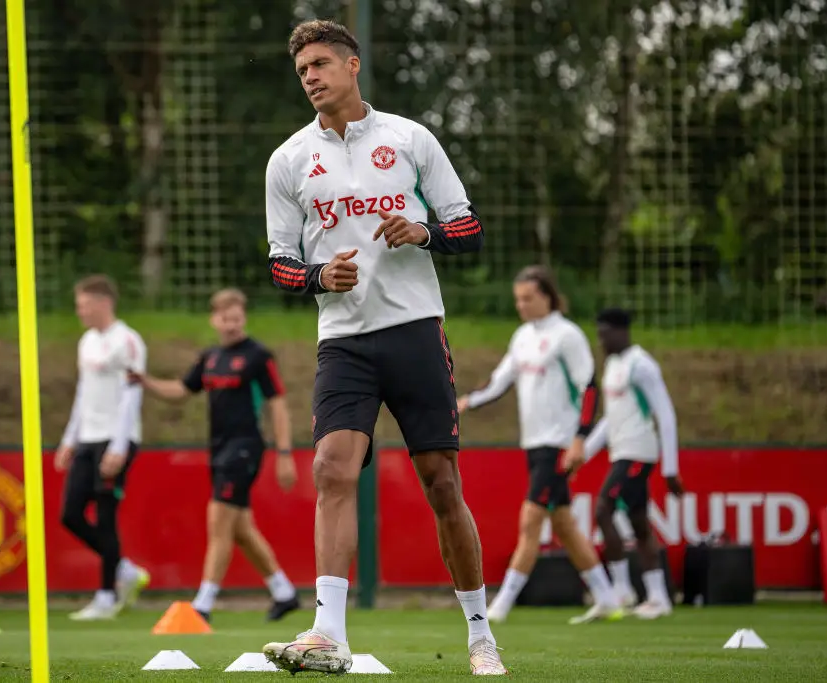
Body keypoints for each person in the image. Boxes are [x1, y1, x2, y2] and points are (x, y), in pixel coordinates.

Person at [261, 19, 507, 677]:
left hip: (415, 330)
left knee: (441, 482)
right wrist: (320, 277)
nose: (310, 77)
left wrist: (423, 231)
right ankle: (327, 632)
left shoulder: (410, 138)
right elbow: (280, 263)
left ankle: (481, 635)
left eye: (319, 64)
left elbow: (470, 228)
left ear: (352, 64)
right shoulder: (288, 159)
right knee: (330, 469)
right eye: (301, 70)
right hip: (342, 340)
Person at [457, 266, 622, 625]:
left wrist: (579, 439)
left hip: (558, 444)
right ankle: (608, 598)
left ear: (547, 295)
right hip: (533, 443)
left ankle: (499, 606)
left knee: (531, 520)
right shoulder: (522, 337)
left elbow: (589, 387)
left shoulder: (567, 336)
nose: (521, 305)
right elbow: (501, 380)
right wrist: (467, 401)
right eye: (517, 299)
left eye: (528, 298)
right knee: (563, 524)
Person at [131, 288, 301, 623]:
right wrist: (145, 382)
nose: (232, 324)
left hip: (245, 447)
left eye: (237, 318)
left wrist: (284, 452)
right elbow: (182, 390)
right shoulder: (209, 358)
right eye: (226, 318)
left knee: (218, 518)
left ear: (244, 318)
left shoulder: (258, 357)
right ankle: (284, 593)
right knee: (239, 527)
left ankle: (203, 605)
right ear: (214, 320)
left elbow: (277, 404)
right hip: (219, 448)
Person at [565, 308, 683, 620]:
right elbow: (611, 419)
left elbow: (666, 414)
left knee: (603, 509)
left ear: (622, 332)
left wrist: (670, 469)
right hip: (621, 450)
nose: (601, 342)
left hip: (638, 451)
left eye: (605, 335)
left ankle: (621, 589)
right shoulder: (613, 365)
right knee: (639, 522)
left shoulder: (641, 365)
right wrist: (582, 453)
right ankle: (658, 597)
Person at [55, 275, 150, 621]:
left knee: (107, 517)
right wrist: (70, 439)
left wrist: (119, 445)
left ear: (102, 302)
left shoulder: (128, 341)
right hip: (88, 438)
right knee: (70, 514)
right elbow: (83, 392)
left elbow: (132, 394)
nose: (79, 312)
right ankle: (125, 571)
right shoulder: (86, 342)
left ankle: (107, 596)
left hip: (116, 439)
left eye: (83, 305)